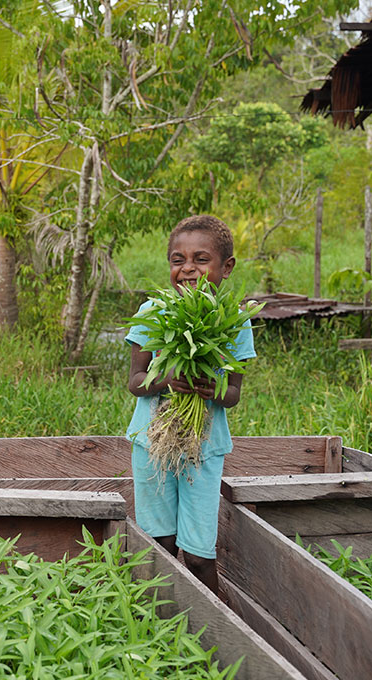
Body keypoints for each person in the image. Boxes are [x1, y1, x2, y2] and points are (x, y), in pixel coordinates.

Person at [125, 214, 256, 593]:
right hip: (154, 445)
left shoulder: (234, 322)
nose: (188, 270)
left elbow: (231, 395)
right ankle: (155, 624)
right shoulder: (153, 313)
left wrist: (209, 389)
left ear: (226, 267)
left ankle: (218, 632)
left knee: (198, 555)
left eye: (201, 259)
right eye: (177, 260)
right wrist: (168, 381)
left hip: (203, 448)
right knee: (158, 546)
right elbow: (136, 383)